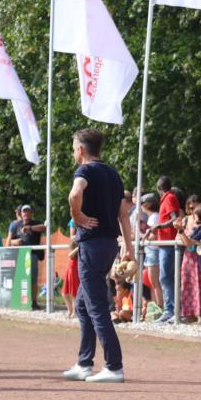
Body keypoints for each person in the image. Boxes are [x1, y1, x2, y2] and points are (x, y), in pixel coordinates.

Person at [63, 128, 134, 383]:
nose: (74, 152)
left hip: (92, 245)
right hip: (109, 245)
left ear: (81, 150)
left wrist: (77, 216)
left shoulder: (84, 171)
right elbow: (123, 215)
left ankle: (114, 366)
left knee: (96, 307)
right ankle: (84, 363)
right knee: (83, 304)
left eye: (74, 148)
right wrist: (129, 248)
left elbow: (74, 193)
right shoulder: (113, 174)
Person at [153, 176, 180, 323]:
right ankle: (171, 309)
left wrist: (160, 226)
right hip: (165, 243)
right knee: (166, 277)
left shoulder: (169, 198)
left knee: (165, 277)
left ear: (158, 188)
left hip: (168, 243)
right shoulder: (168, 199)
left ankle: (173, 309)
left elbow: (175, 218)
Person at [14, 205, 47, 309]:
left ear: (32, 213)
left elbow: (44, 227)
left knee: (32, 279)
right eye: (24, 212)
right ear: (21, 214)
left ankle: (33, 302)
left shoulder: (36, 223)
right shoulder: (17, 225)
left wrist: (30, 228)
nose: (26, 214)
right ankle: (20, 300)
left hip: (32, 255)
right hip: (20, 255)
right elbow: (10, 241)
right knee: (20, 278)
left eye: (28, 212)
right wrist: (15, 242)